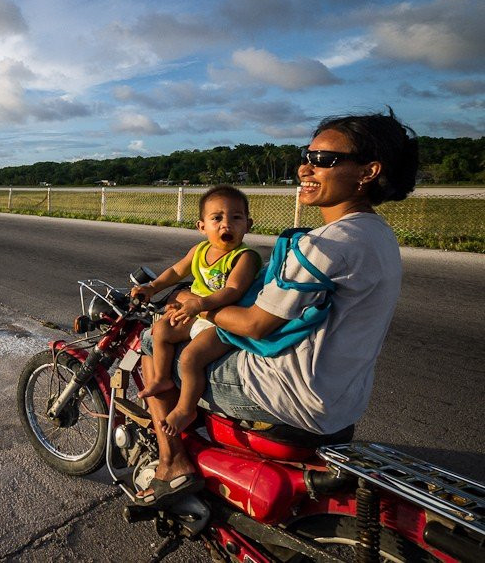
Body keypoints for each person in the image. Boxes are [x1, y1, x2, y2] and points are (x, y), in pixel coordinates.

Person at [133, 109, 419, 508]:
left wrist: (191, 303)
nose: (306, 168)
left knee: (153, 341)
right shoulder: (378, 235)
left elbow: (255, 325)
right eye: (307, 155)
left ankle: (171, 464)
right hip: (343, 397)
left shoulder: (323, 245)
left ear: (368, 172)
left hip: (290, 393)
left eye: (324, 159)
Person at [130, 186, 262, 438]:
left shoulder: (245, 257)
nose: (226, 225)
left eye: (236, 218)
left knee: (191, 358)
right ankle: (162, 379)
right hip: (196, 313)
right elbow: (176, 271)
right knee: (161, 330)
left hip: (222, 322)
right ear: (202, 226)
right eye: (217, 218)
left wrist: (199, 304)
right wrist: (152, 287)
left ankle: (186, 409)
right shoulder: (199, 251)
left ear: (248, 225)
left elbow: (233, 290)